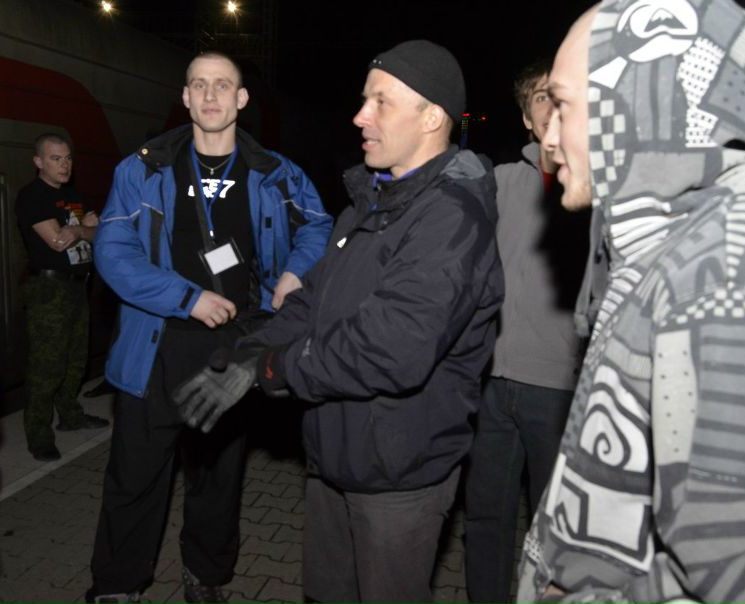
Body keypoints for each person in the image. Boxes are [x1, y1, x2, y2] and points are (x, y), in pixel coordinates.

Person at [174, 40, 505, 604]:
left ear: (431, 117)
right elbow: (312, 300)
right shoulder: (367, 206)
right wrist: (249, 353)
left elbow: (390, 348)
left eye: (380, 102)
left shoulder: (450, 217)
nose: (360, 116)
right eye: (363, 100)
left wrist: (272, 369)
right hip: (336, 456)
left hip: (398, 473)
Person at [517, 1, 745, 602]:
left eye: (563, 106)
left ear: (632, 99)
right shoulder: (663, 249)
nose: (548, 137)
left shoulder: (725, 273)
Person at [87, 51, 332, 604]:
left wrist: (295, 272)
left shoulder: (277, 172)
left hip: (232, 348)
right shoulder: (142, 169)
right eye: (199, 85)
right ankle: (118, 585)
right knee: (134, 475)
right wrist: (186, 297)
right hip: (155, 343)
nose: (210, 95)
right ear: (185, 97)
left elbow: (318, 226)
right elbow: (113, 251)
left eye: (223, 85)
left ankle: (207, 575)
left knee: (217, 478)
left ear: (241, 99)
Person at [464, 57, 589, 604]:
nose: (549, 105)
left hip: (560, 388)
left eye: (558, 95)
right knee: (485, 517)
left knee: (554, 530)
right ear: (525, 117)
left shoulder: (593, 187)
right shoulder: (498, 183)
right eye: (538, 97)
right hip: (491, 382)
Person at [16, 132, 108, 462]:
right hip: (48, 289)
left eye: (68, 158)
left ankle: (71, 415)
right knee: (47, 365)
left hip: (77, 287)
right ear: (38, 162)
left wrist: (78, 229)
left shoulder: (73, 195)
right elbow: (57, 242)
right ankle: (39, 435)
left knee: (75, 359)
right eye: (56, 159)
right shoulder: (33, 196)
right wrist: (84, 229)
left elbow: (101, 233)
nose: (64, 165)